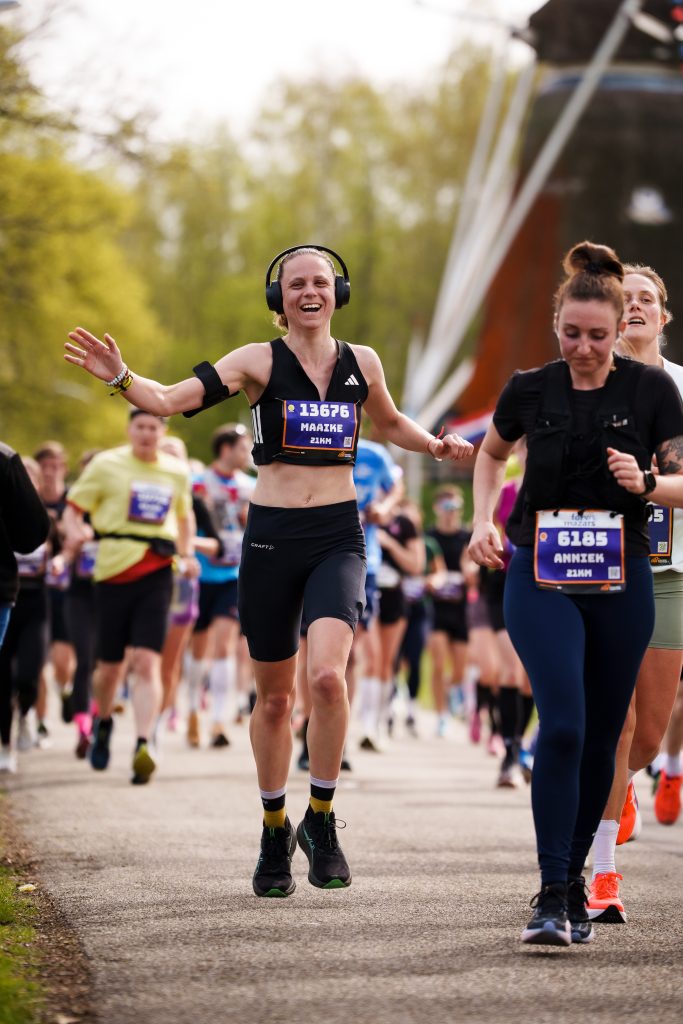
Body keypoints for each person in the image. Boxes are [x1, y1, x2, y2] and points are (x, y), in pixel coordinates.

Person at [65, 242, 473, 896]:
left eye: (319, 282)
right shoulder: (255, 361)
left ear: (336, 292)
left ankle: (319, 817)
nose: (307, 292)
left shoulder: (361, 362)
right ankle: (272, 825)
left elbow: (391, 423)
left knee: (327, 679)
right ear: (277, 298)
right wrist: (120, 377)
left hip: (337, 533)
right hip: (271, 537)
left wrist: (436, 444)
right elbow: (167, 400)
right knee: (277, 696)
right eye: (294, 285)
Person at [468, 241, 683, 947]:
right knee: (562, 723)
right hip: (541, 569)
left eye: (597, 335)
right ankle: (553, 889)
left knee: (605, 738)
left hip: (622, 573)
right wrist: (480, 521)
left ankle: (578, 886)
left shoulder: (651, 393)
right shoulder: (529, 388)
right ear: (555, 325)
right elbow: (492, 453)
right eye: (571, 334)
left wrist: (647, 484)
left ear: (619, 326)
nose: (585, 348)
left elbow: (682, 478)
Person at [588, 263, 683, 922]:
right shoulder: (585, 380)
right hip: (601, 568)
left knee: (646, 735)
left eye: (646, 299)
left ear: (662, 315)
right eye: (625, 299)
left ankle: (633, 777)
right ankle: (598, 874)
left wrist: (646, 485)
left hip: (670, 570)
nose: (636, 308)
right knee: (613, 725)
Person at [62, 409, 198, 785]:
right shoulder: (107, 465)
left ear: (163, 431)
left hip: (158, 570)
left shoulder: (176, 471)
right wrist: (75, 533)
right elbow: (73, 510)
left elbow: (185, 519)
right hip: (112, 571)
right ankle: (103, 722)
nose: (147, 434)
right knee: (108, 669)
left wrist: (186, 555)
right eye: (140, 427)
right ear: (129, 429)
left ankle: (143, 742)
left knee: (146, 661)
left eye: (154, 427)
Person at [186, 423, 255, 749]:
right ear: (225, 449)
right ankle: (191, 711)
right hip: (200, 573)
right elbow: (181, 525)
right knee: (198, 648)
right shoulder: (196, 483)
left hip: (234, 574)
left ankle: (218, 721)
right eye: (243, 448)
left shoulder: (251, 486)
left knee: (225, 644)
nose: (248, 454)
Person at [0, 447, 51, 772]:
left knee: (28, 676)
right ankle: (6, 746)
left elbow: (35, 535)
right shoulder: (4, 458)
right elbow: (30, 535)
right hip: (7, 593)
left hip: (34, 602)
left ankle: (27, 714)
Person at [426, 486, 471, 738]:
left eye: (455, 508)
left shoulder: (467, 536)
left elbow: (473, 571)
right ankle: (442, 715)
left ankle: (455, 692)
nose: (451, 513)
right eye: (446, 508)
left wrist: (470, 572)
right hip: (436, 609)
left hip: (461, 609)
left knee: (459, 668)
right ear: (437, 509)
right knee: (439, 663)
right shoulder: (429, 537)